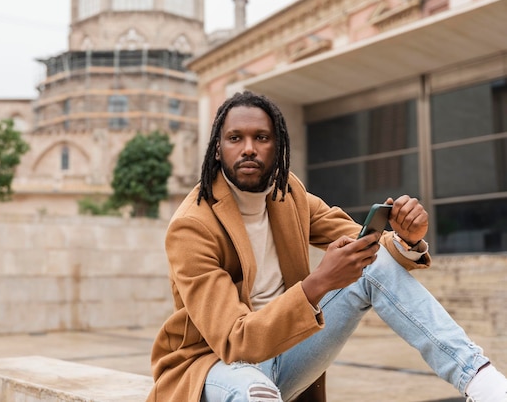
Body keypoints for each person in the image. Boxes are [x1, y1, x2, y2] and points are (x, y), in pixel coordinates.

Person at [146, 91, 507, 402]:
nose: (249, 149)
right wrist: (319, 283)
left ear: (279, 145)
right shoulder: (192, 226)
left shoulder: (289, 193)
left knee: (371, 266)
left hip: (284, 353)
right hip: (215, 366)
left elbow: (368, 246)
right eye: (235, 138)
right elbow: (234, 340)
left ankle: (482, 381)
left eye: (261, 137)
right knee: (253, 392)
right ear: (217, 149)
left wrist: (407, 238)